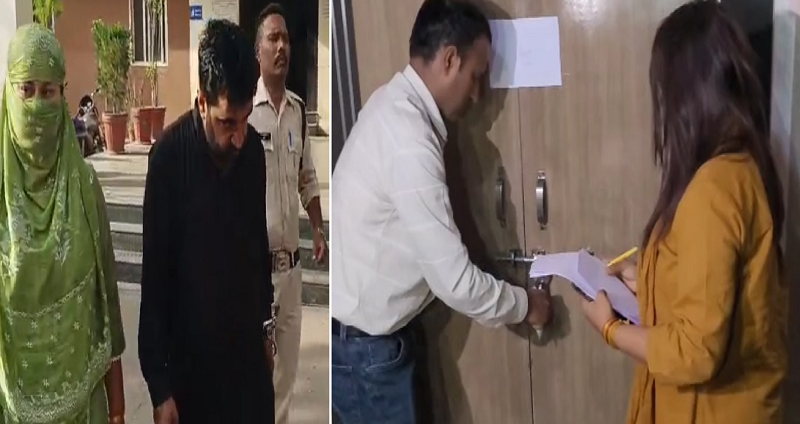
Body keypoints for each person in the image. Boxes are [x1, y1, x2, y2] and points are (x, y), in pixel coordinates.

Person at [330, 1, 553, 422]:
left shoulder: (390, 104)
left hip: (368, 343)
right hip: (367, 354)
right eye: (476, 76)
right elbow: (456, 282)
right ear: (450, 59)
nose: (478, 95)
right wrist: (527, 306)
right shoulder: (409, 138)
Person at [580, 2, 786, 424]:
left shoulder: (712, 189)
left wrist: (611, 329)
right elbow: (714, 295)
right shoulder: (743, 167)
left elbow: (696, 351)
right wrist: (646, 282)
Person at [137, 19, 276, 424]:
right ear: (202, 102)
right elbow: (155, 281)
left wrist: (266, 331)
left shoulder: (252, 154)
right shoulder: (167, 160)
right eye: (227, 122)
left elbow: (257, 249)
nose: (239, 136)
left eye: (246, 119)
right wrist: (159, 387)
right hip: (189, 377)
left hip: (247, 368)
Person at [0, 24, 126, 424]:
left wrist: (118, 409)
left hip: (86, 408)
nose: (37, 104)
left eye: (49, 91)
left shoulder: (85, 187)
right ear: (9, 93)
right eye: (27, 89)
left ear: (63, 95)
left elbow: (107, 299)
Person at [249, 4, 327, 424]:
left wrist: (317, 227)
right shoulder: (246, 113)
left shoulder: (297, 111)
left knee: (286, 377)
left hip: (292, 271)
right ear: (258, 50)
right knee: (257, 373)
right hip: (256, 273)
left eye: (286, 39)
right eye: (272, 39)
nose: (281, 47)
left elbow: (306, 176)